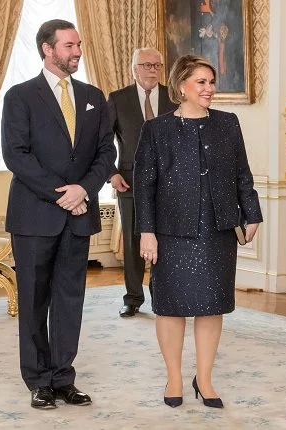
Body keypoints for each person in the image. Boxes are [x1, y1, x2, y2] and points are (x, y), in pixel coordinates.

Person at [134, 55, 262, 408]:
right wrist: (147, 232)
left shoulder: (227, 123)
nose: (209, 89)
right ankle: (174, 376)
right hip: (171, 231)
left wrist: (252, 214)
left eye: (211, 82)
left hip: (218, 229)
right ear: (181, 88)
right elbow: (144, 185)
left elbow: (242, 173)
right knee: (171, 308)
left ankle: (204, 378)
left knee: (211, 306)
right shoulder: (156, 129)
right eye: (201, 82)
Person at [1, 19, 116, 410]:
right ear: (48, 49)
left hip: (79, 213)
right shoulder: (20, 96)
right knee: (34, 299)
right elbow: (16, 155)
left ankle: (63, 377)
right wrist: (62, 195)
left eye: (78, 44)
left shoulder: (94, 96)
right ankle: (38, 380)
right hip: (35, 215)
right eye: (69, 45)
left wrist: (84, 189)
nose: (78, 51)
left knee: (70, 298)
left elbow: (106, 153)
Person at [107, 47, 177, 318]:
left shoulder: (173, 98)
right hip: (128, 182)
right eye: (146, 65)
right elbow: (103, 142)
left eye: (157, 66)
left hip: (168, 183)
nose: (152, 70)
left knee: (165, 241)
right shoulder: (118, 99)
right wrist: (111, 174)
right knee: (135, 242)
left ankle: (164, 297)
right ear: (133, 68)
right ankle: (133, 297)